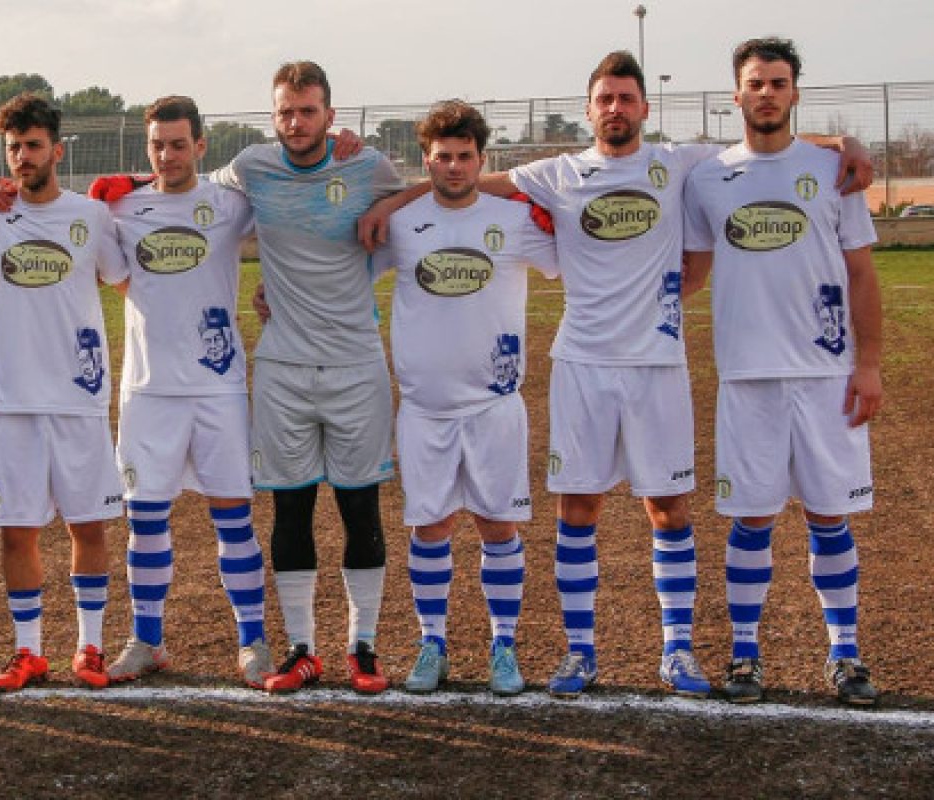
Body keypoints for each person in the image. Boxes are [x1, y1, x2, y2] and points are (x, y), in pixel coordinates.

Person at [360, 49, 872, 699]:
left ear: (644, 109)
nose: (615, 108)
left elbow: (764, 139)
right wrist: (402, 197)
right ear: (589, 109)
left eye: (626, 98)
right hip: (581, 364)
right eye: (604, 98)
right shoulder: (559, 173)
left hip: (658, 365)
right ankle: (580, 652)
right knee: (579, 509)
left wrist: (841, 139)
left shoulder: (677, 162)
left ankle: (677, 650)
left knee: (670, 509)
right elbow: (465, 185)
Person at [682, 37, 882, 706]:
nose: (766, 93)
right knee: (753, 519)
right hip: (746, 379)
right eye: (755, 83)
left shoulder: (835, 172)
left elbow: (860, 272)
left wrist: (871, 366)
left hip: (827, 375)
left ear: (794, 93)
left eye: (778, 82)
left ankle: (845, 656)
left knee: (830, 516)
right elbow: (693, 267)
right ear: (734, 97)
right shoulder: (708, 176)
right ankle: (744, 656)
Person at [210, 61, 405, 694]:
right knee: (289, 511)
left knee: (360, 507)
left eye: (308, 111)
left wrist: (385, 195)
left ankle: (363, 649)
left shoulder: (367, 167)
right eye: (286, 112)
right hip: (283, 367)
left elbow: (424, 191)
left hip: (356, 366)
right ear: (275, 117)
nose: (297, 123)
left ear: (329, 114)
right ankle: (302, 649)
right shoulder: (252, 166)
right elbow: (179, 181)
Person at [370, 101, 557, 697]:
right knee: (431, 527)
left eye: (465, 156)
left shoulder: (515, 219)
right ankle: (434, 643)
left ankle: (504, 645)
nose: (454, 166)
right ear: (427, 160)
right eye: (442, 157)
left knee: (498, 525)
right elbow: (343, 271)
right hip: (425, 406)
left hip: (494, 403)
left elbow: (577, 256)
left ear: (482, 158)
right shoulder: (401, 222)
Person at [94, 95, 271, 689]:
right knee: (145, 520)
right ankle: (146, 640)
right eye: (156, 145)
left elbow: (289, 210)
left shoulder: (231, 204)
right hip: (147, 390)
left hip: (218, 388)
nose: (167, 155)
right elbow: (113, 274)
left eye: (177, 144)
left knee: (234, 519)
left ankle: (252, 641)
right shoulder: (120, 207)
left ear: (200, 146)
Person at [0, 94, 128, 693]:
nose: (23, 157)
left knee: (89, 525)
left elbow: (123, 279)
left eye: (33, 145)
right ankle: (28, 651)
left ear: (57, 149)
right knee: (16, 529)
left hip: (78, 395)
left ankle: (90, 647)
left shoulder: (93, 216)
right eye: (13, 148)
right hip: (10, 399)